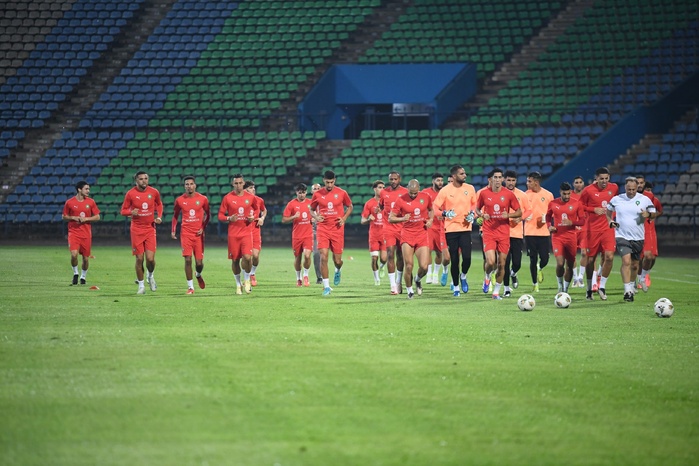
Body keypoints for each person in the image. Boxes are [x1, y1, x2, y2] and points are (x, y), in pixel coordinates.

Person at [606, 176, 657, 302]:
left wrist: (648, 214)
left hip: (638, 237)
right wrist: (610, 221)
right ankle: (627, 290)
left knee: (635, 265)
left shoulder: (644, 199)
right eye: (629, 189)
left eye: (634, 189)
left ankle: (632, 284)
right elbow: (608, 211)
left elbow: (654, 213)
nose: (631, 192)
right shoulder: (617, 199)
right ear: (625, 187)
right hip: (621, 236)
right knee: (626, 262)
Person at [476, 168, 522, 299]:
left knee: (502, 263)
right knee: (491, 261)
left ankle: (496, 292)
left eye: (499, 177)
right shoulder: (484, 194)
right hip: (489, 231)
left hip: (503, 233)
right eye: (495, 177)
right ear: (490, 180)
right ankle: (487, 277)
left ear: (502, 179)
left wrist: (509, 214)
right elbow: (477, 209)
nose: (498, 180)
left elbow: (519, 212)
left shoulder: (508, 194)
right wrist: (481, 214)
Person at [433, 165, 478, 297]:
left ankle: (463, 275)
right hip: (451, 230)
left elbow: (475, 205)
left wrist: (473, 214)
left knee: (467, 258)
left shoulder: (470, 188)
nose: (465, 175)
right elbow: (435, 208)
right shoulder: (445, 190)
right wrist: (445, 213)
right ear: (454, 176)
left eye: (464, 173)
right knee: (454, 259)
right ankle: (456, 287)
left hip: (465, 228)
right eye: (462, 174)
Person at [388, 179, 434, 299]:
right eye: (411, 192)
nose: (413, 195)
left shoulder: (426, 197)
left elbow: (431, 210)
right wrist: (402, 219)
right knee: (408, 265)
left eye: (415, 193)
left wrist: (430, 220)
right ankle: (409, 291)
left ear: (418, 189)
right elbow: (391, 218)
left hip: (421, 235)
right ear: (407, 188)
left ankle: (417, 279)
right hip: (407, 235)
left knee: (424, 267)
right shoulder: (401, 199)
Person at [310, 170, 353, 296]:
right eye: (327, 182)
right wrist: (316, 217)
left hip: (337, 229)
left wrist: (344, 218)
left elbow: (350, 206)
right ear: (323, 180)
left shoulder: (342, 193)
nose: (329, 185)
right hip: (323, 228)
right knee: (323, 256)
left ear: (335, 180)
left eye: (332, 182)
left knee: (337, 260)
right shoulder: (317, 194)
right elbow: (312, 209)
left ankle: (338, 269)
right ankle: (326, 287)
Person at [120, 171, 163, 295]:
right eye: (141, 179)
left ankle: (150, 276)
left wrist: (159, 216)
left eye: (146, 178)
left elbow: (159, 204)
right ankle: (141, 285)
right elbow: (123, 211)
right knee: (139, 259)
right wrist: (130, 212)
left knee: (150, 259)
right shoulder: (131, 194)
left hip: (150, 228)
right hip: (136, 230)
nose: (144, 181)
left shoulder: (154, 192)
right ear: (136, 181)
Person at [580, 167, 619, 300]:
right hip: (592, 230)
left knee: (609, 257)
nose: (604, 181)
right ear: (596, 178)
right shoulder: (588, 190)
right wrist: (593, 209)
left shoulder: (614, 188)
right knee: (590, 260)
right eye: (601, 179)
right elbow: (580, 206)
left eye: (606, 178)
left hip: (608, 229)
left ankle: (602, 286)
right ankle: (589, 288)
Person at [218, 173, 259, 295]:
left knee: (247, 257)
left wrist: (253, 217)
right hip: (233, 234)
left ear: (243, 183)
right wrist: (229, 218)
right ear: (232, 184)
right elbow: (220, 215)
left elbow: (256, 210)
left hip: (246, 232)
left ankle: (247, 280)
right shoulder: (227, 198)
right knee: (235, 260)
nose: (238, 185)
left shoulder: (250, 197)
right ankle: (237, 284)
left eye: (240, 183)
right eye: (236, 183)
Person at [171, 175, 210, 295]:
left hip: (198, 235)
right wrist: (173, 230)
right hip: (186, 233)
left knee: (199, 263)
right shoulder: (179, 200)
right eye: (187, 184)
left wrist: (202, 228)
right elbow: (175, 216)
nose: (189, 186)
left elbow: (208, 215)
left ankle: (198, 274)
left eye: (191, 184)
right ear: (184, 186)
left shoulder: (203, 199)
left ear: (195, 185)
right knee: (188, 260)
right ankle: (190, 287)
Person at [547, 182, 586, 293]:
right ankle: (560, 286)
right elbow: (548, 216)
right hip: (557, 237)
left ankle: (565, 290)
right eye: (564, 194)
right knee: (560, 263)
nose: (567, 196)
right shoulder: (553, 203)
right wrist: (549, 226)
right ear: (560, 193)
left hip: (571, 237)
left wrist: (572, 222)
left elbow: (583, 221)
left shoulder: (576, 203)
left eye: (568, 194)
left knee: (569, 264)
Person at [62, 180, 101, 285]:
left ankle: (83, 277)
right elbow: (64, 216)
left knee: (85, 258)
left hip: (86, 234)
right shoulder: (69, 202)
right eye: (86, 189)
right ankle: (75, 273)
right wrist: (73, 217)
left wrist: (86, 219)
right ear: (79, 189)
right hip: (73, 233)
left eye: (89, 189)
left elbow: (97, 216)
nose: (88, 191)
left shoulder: (91, 202)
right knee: (74, 255)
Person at [524, 171, 554, 292]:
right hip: (530, 232)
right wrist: (525, 216)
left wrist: (547, 220)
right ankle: (535, 283)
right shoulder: (525, 195)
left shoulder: (548, 195)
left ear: (536, 182)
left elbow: (552, 213)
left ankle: (540, 268)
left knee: (545, 258)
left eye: (529, 181)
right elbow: (521, 211)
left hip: (544, 232)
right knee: (532, 258)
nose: (527, 183)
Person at [502, 170, 530, 297]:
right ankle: (506, 289)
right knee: (505, 262)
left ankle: (514, 273)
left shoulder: (522, 195)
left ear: (516, 181)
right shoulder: (500, 194)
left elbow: (529, 210)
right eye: (508, 180)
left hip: (517, 234)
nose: (511, 183)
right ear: (504, 180)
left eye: (513, 180)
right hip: (503, 233)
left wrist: (521, 217)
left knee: (517, 263)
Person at [380, 171, 408, 294]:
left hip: (402, 228)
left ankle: (398, 281)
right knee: (390, 254)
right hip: (388, 228)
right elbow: (381, 207)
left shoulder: (405, 192)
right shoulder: (384, 192)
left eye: (395, 179)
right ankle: (392, 286)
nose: (393, 181)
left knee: (401, 255)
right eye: (391, 179)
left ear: (399, 179)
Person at [281, 183, 315, 287]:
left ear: (306, 192)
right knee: (297, 258)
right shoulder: (291, 204)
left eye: (303, 193)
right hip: (297, 236)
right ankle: (298, 278)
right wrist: (294, 217)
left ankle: (305, 275)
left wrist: (314, 219)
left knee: (307, 255)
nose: (301, 195)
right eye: (299, 193)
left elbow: (317, 214)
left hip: (308, 235)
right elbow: (284, 219)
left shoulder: (311, 203)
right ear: (296, 193)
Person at [422, 172, 450, 286]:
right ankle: (428, 274)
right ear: (433, 181)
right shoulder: (425, 193)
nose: (440, 183)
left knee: (440, 253)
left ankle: (435, 273)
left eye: (441, 181)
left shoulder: (445, 193)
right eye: (438, 180)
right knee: (427, 251)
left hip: (441, 227)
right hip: (429, 226)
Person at [360, 180, 387, 285]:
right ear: (374, 189)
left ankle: (382, 266)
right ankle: (376, 279)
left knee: (384, 259)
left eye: (383, 187)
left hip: (385, 234)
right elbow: (362, 220)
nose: (382, 189)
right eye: (380, 187)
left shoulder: (387, 202)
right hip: (374, 235)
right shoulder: (369, 203)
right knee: (374, 258)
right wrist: (368, 219)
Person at [637, 179, 662, 290]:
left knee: (651, 257)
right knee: (639, 257)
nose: (640, 185)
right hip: (637, 231)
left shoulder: (651, 198)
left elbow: (659, 210)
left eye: (641, 183)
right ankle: (639, 278)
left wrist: (652, 216)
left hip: (649, 230)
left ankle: (645, 274)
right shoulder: (630, 198)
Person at [244, 180, 267, 287]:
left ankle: (252, 273)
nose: (253, 189)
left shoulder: (259, 200)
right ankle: (246, 277)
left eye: (253, 187)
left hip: (255, 231)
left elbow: (264, 210)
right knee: (246, 257)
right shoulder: (241, 201)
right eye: (250, 187)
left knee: (255, 255)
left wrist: (262, 217)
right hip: (244, 232)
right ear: (245, 190)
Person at [570, 176, 587, 287]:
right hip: (572, 228)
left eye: (580, 182)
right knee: (572, 255)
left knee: (585, 253)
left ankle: (581, 277)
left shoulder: (587, 195)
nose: (579, 184)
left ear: (583, 183)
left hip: (585, 228)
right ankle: (575, 278)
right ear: (573, 184)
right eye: (576, 182)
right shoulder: (569, 195)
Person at [311, 183, 323, 284]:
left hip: (324, 230)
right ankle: (319, 276)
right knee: (316, 254)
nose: (317, 190)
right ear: (312, 192)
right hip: (312, 232)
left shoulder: (324, 203)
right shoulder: (307, 204)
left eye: (319, 188)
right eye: (315, 189)